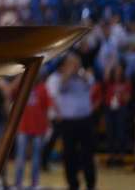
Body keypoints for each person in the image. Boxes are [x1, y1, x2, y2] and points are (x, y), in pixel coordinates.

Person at [53, 52, 97, 190]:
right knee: (69, 154)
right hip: (68, 123)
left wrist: (78, 71)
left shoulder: (85, 75)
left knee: (88, 154)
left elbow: (90, 82)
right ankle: (73, 184)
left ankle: (90, 184)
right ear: (65, 65)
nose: (74, 65)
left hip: (85, 121)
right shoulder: (61, 78)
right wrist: (69, 72)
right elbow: (61, 87)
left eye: (76, 62)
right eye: (71, 63)